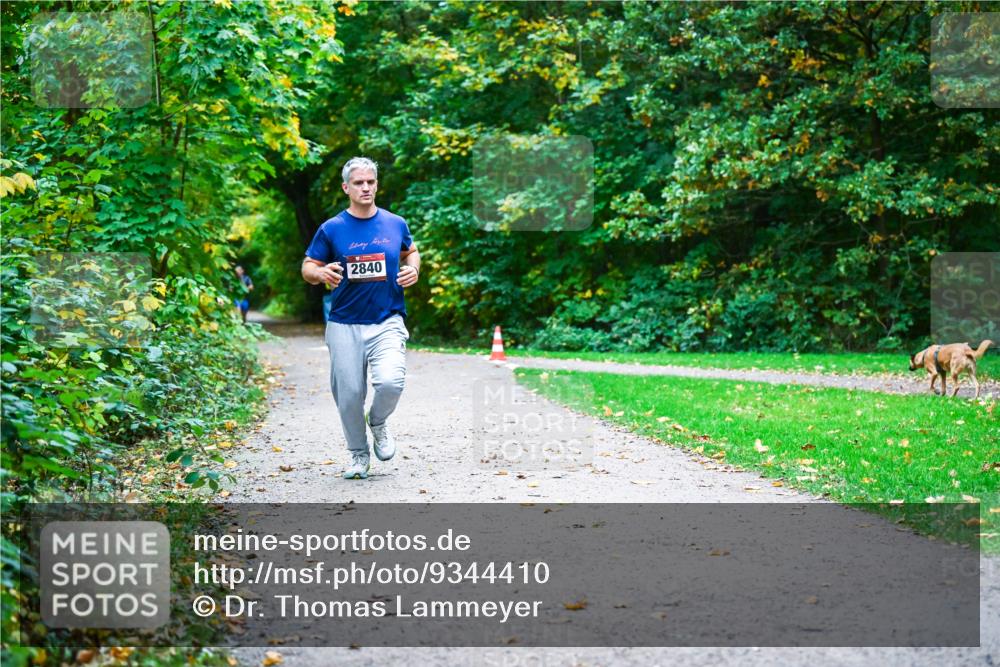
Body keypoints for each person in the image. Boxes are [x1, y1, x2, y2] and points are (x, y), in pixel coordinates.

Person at [301, 157, 420, 480]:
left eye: (371, 182)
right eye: (358, 183)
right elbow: (308, 266)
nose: (365, 187)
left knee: (391, 382)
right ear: (346, 187)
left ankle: (378, 421)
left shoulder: (396, 223)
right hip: (344, 323)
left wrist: (413, 269)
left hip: (388, 319)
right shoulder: (332, 228)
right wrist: (320, 272)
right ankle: (357, 454)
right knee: (350, 394)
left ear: (377, 185)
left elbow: (411, 252)